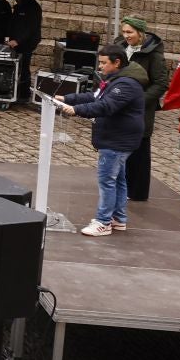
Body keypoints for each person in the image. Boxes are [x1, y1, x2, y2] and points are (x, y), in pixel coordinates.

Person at [56, 44, 146, 237]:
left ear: (117, 62)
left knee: (107, 181)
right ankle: (118, 219)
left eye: (104, 63)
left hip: (117, 140)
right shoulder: (115, 80)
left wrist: (76, 110)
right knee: (119, 180)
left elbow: (106, 106)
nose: (100, 67)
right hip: (118, 138)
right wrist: (67, 98)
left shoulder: (126, 84)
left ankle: (103, 222)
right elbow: (94, 96)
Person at [117, 15, 168, 202]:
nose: (126, 35)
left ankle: (137, 193)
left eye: (129, 32)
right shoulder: (121, 47)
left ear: (140, 32)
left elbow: (161, 83)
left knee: (139, 152)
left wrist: (139, 100)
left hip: (140, 110)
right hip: (120, 106)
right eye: (123, 32)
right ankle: (121, 187)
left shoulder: (154, 54)